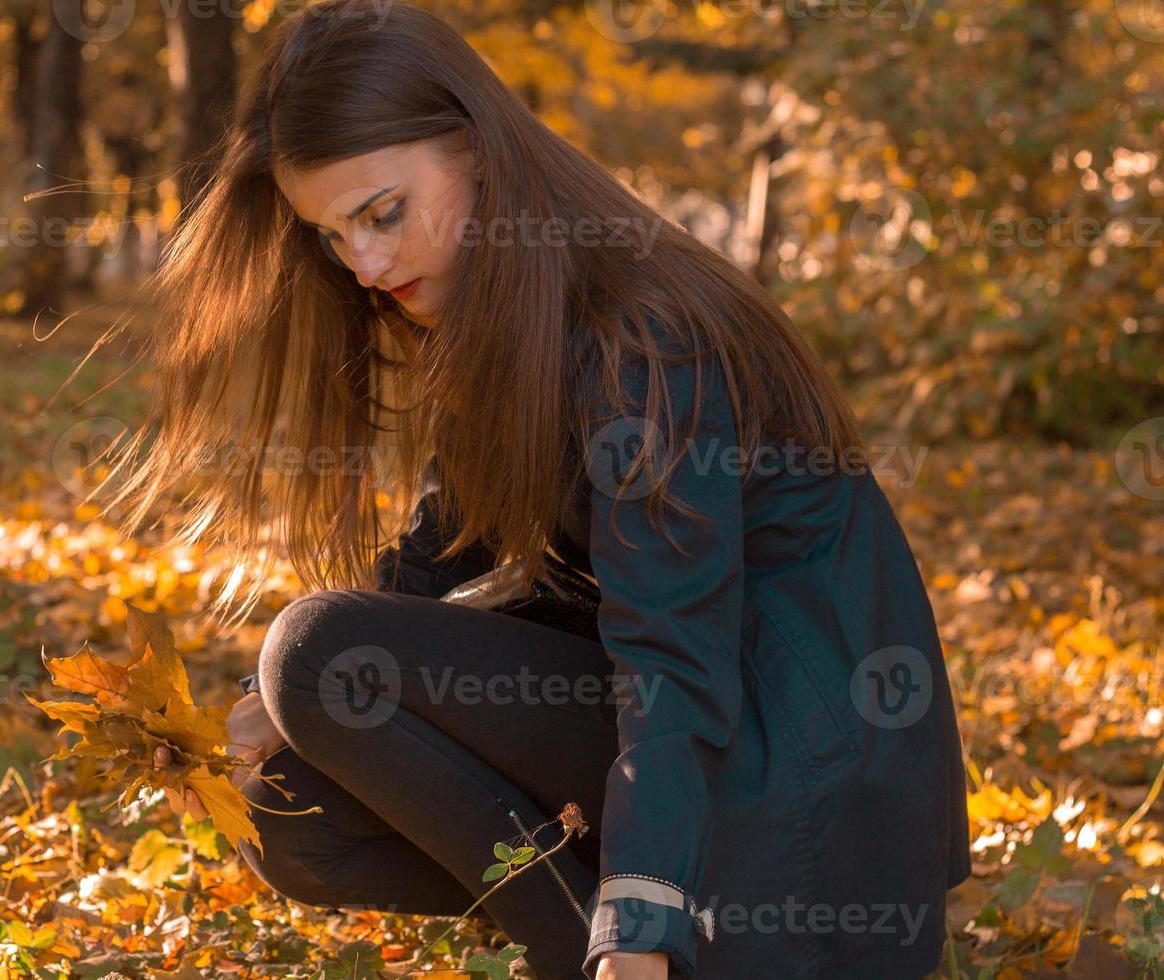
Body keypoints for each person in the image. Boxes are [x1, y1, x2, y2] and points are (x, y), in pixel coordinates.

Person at [113, 1, 973, 977]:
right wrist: (273, 706)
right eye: (333, 235)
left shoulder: (647, 334)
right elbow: (443, 555)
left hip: (805, 819)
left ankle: (629, 946)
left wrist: (642, 917)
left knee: (317, 647)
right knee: (294, 814)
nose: (364, 264)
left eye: (382, 212)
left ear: (476, 151)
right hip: (699, 790)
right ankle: (584, 931)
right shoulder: (507, 325)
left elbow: (677, 662)